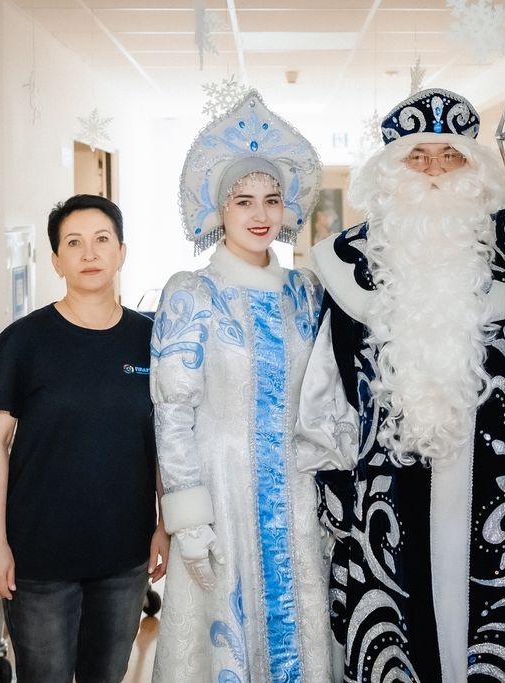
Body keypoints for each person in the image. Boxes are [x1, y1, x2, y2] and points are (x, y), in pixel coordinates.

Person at [294, 88, 505, 682]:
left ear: (475, 169)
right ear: (391, 171)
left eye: (451, 156)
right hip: (385, 501)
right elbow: (325, 392)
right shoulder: (348, 265)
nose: (435, 171)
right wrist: (332, 492)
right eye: (418, 157)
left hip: (500, 491)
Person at [150, 90, 332, 682]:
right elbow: (173, 411)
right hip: (220, 491)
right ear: (219, 210)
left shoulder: (307, 292)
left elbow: (326, 394)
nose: (260, 215)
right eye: (244, 201)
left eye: (272, 200)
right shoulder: (191, 293)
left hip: (296, 492)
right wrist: (187, 519)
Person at [0, 194, 169, 683]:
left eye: (102, 240)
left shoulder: (152, 340)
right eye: (74, 243)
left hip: (123, 555)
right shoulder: (22, 341)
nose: (89, 253)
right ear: (56, 260)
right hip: (39, 557)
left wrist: (164, 524)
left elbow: (164, 440)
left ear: (121, 252)